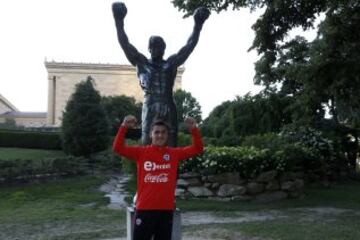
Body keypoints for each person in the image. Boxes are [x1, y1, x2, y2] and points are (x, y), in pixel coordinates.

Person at [112, 2, 210, 146]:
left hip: (168, 104)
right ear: (149, 49)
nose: (157, 49)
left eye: (160, 47)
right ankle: (146, 168)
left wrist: (198, 24)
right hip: (150, 104)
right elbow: (125, 43)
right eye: (154, 47)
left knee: (171, 144)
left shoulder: (171, 63)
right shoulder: (142, 63)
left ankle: (171, 169)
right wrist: (119, 21)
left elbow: (189, 46)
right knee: (146, 141)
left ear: (164, 49)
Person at [113, 115, 204, 240]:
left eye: (163, 132)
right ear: (151, 134)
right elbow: (118, 148)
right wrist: (124, 127)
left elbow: (198, 149)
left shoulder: (174, 154)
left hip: (165, 211)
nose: (160, 135)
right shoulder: (141, 153)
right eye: (156, 132)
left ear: (167, 135)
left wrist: (194, 129)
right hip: (144, 209)